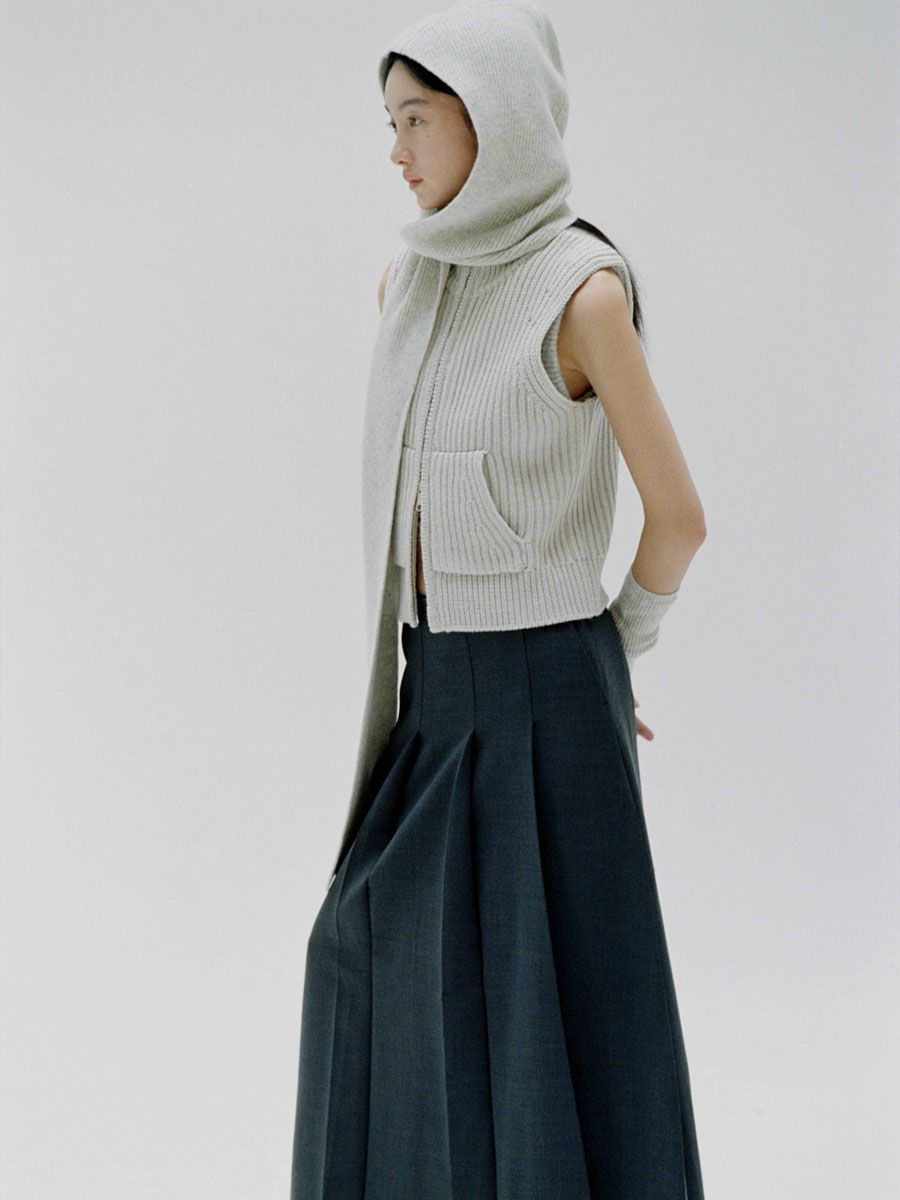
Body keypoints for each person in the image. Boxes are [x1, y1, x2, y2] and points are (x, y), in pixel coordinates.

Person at [291, 2, 707, 1197]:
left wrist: (613, 657)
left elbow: (678, 517)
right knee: (365, 957)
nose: (397, 151)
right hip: (432, 688)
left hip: (552, 685)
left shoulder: (584, 293)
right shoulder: (410, 286)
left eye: (417, 119)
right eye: (390, 122)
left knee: (556, 1010)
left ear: (499, 116)